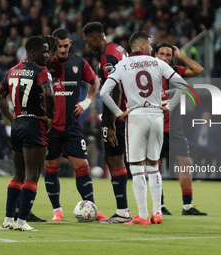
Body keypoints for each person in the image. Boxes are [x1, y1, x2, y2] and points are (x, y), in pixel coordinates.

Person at [100, 31, 185, 225]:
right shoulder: (158, 63)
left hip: (136, 116)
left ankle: (143, 216)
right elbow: (182, 84)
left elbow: (105, 92)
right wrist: (169, 107)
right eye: (149, 44)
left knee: (137, 167)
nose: (151, 47)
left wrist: (119, 112)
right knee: (153, 165)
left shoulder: (122, 65)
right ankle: (157, 213)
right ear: (141, 46)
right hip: (156, 116)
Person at [42, 30, 107, 222]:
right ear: (53, 45)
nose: (62, 50)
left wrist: (86, 102)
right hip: (50, 128)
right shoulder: (45, 64)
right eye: (59, 46)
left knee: (83, 166)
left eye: (65, 45)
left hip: (71, 127)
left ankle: (92, 209)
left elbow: (95, 82)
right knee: (51, 168)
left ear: (70, 43)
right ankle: (57, 211)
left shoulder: (79, 63)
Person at [0, 36, 55, 231]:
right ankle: (22, 221)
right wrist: (50, 117)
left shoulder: (12, 70)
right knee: (33, 174)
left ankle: (8, 219)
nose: (48, 55)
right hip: (34, 123)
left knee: (17, 174)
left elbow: (0, 95)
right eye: (45, 51)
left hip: (18, 123)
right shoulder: (41, 71)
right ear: (33, 52)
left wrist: (12, 119)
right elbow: (48, 93)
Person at [83, 21, 131, 223]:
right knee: (119, 160)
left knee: (114, 159)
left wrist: (111, 122)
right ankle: (127, 210)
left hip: (116, 114)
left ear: (95, 37)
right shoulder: (119, 49)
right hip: (125, 110)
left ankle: (123, 211)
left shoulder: (107, 55)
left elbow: (115, 88)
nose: (88, 46)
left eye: (88, 41)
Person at [154, 42, 207, 216]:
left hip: (175, 129)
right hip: (156, 128)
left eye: (168, 55)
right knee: (157, 167)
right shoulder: (148, 73)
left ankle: (187, 206)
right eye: (161, 53)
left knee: (186, 164)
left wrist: (182, 57)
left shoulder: (175, 72)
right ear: (155, 55)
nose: (164, 57)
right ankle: (159, 206)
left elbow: (199, 70)